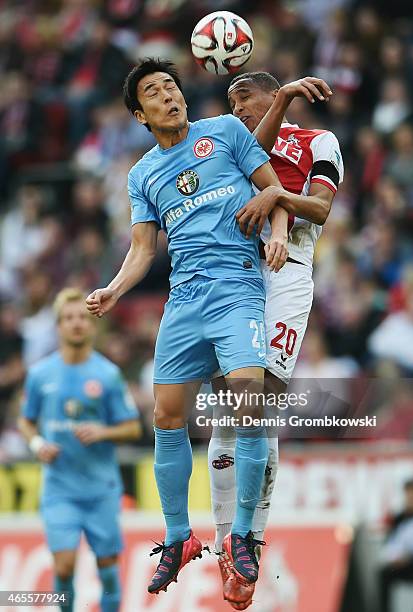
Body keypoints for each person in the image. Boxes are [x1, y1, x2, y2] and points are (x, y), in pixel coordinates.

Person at [85, 58, 291, 597]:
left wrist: (276, 233)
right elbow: (142, 248)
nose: (169, 95)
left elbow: (273, 192)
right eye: (154, 92)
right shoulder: (142, 174)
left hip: (237, 287)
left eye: (172, 86)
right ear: (139, 114)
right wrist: (113, 289)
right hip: (184, 300)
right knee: (165, 415)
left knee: (249, 400)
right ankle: (178, 536)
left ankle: (244, 535)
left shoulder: (224, 132)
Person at [208, 72, 344, 609]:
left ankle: (253, 538)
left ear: (271, 94)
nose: (235, 106)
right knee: (228, 409)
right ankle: (226, 539)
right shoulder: (230, 144)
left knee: (257, 404)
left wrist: (276, 197)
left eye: (243, 96)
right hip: (235, 274)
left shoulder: (318, 142)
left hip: (288, 273)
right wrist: (269, 197)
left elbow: (322, 209)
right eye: (229, 98)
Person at [18, 288, 141, 612]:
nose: (76, 324)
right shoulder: (40, 375)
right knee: (63, 566)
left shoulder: (108, 376)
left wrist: (104, 431)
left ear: (93, 326)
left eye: (82, 318)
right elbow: (26, 421)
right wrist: (37, 443)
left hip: (101, 489)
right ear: (58, 325)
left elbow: (133, 428)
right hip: (60, 490)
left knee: (109, 572)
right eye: (68, 318)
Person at [379, 479, 413, 612]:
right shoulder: (399, 518)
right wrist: (395, 558)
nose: (412, 499)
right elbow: (391, 544)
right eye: (409, 496)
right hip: (402, 564)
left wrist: (411, 556)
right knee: (384, 573)